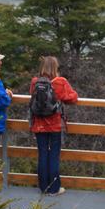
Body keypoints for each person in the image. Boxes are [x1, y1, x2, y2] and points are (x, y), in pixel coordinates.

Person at [29, 56, 78, 196]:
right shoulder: (60, 81)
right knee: (54, 156)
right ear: (55, 67)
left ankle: (43, 187)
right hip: (55, 125)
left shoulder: (34, 82)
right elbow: (73, 97)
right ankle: (54, 188)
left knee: (42, 154)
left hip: (38, 125)